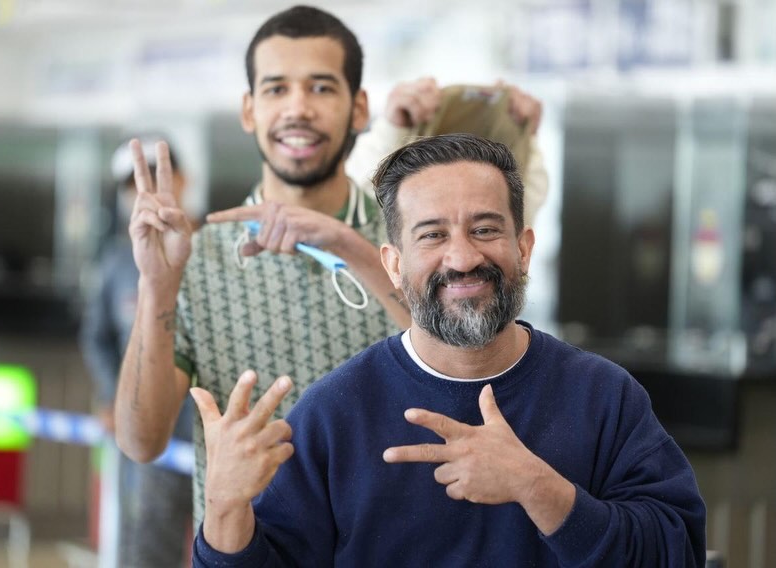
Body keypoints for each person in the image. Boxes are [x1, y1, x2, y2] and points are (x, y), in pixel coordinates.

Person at [114, 4, 546, 528]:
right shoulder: (198, 257)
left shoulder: (417, 238)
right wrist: (158, 285)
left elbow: (474, 363)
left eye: (321, 88)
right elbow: (141, 441)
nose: (298, 108)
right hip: (253, 552)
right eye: (276, 89)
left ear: (359, 110)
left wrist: (351, 247)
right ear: (250, 111)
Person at [190, 134, 707, 567]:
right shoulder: (333, 412)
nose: (462, 257)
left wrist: (539, 488)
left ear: (523, 248)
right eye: (432, 236)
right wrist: (224, 507)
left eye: (485, 230)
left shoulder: (603, 396)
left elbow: (679, 552)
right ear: (393, 264)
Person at [80, 135, 193, 567]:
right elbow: (96, 336)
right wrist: (113, 395)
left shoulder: (215, 251)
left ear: (182, 179)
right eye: (132, 184)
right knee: (148, 543)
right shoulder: (115, 264)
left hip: (207, 434)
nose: (143, 192)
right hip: (150, 440)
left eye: (156, 177)